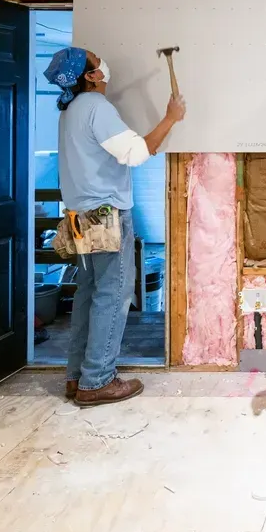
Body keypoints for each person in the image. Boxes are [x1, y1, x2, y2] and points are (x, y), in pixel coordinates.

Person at [44, 47, 186, 407]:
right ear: (91, 76)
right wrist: (171, 118)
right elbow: (137, 153)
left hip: (80, 215)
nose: (104, 62)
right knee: (113, 295)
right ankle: (98, 381)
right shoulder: (95, 108)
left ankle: (78, 377)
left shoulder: (71, 111)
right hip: (104, 216)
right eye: (96, 60)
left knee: (89, 294)